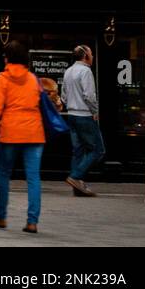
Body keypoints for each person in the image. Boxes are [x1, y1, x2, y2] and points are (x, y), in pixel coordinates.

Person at [0, 39, 46, 234]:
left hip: (10, 133)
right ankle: (32, 221)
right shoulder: (33, 79)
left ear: (7, 58)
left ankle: (0, 216)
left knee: (4, 175)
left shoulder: (3, 79)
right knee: (33, 177)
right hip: (34, 133)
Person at [62, 44, 104, 197]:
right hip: (84, 116)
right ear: (85, 56)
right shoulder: (85, 71)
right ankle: (75, 176)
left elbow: (64, 96)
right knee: (97, 150)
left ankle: (77, 187)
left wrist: (71, 106)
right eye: (91, 54)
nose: (92, 57)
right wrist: (94, 111)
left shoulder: (68, 72)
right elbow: (89, 95)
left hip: (71, 115)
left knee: (78, 151)